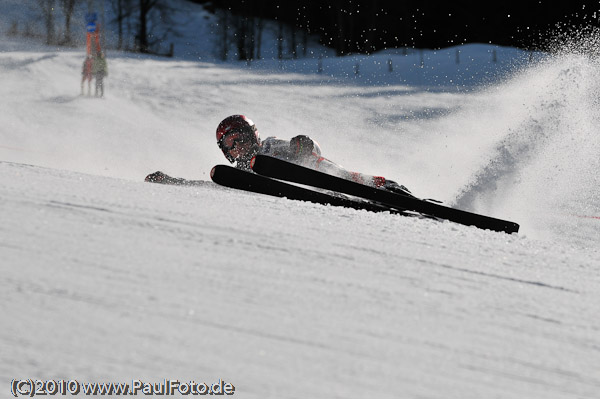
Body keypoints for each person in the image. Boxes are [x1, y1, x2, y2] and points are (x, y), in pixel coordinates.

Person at [145, 114, 410, 194]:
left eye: (236, 139)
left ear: (251, 135)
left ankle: (387, 186)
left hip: (328, 178)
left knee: (345, 175)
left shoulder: (270, 147)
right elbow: (211, 187)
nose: (234, 148)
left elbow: (312, 150)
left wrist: (302, 145)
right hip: (305, 193)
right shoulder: (239, 175)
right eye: (227, 146)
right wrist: (173, 181)